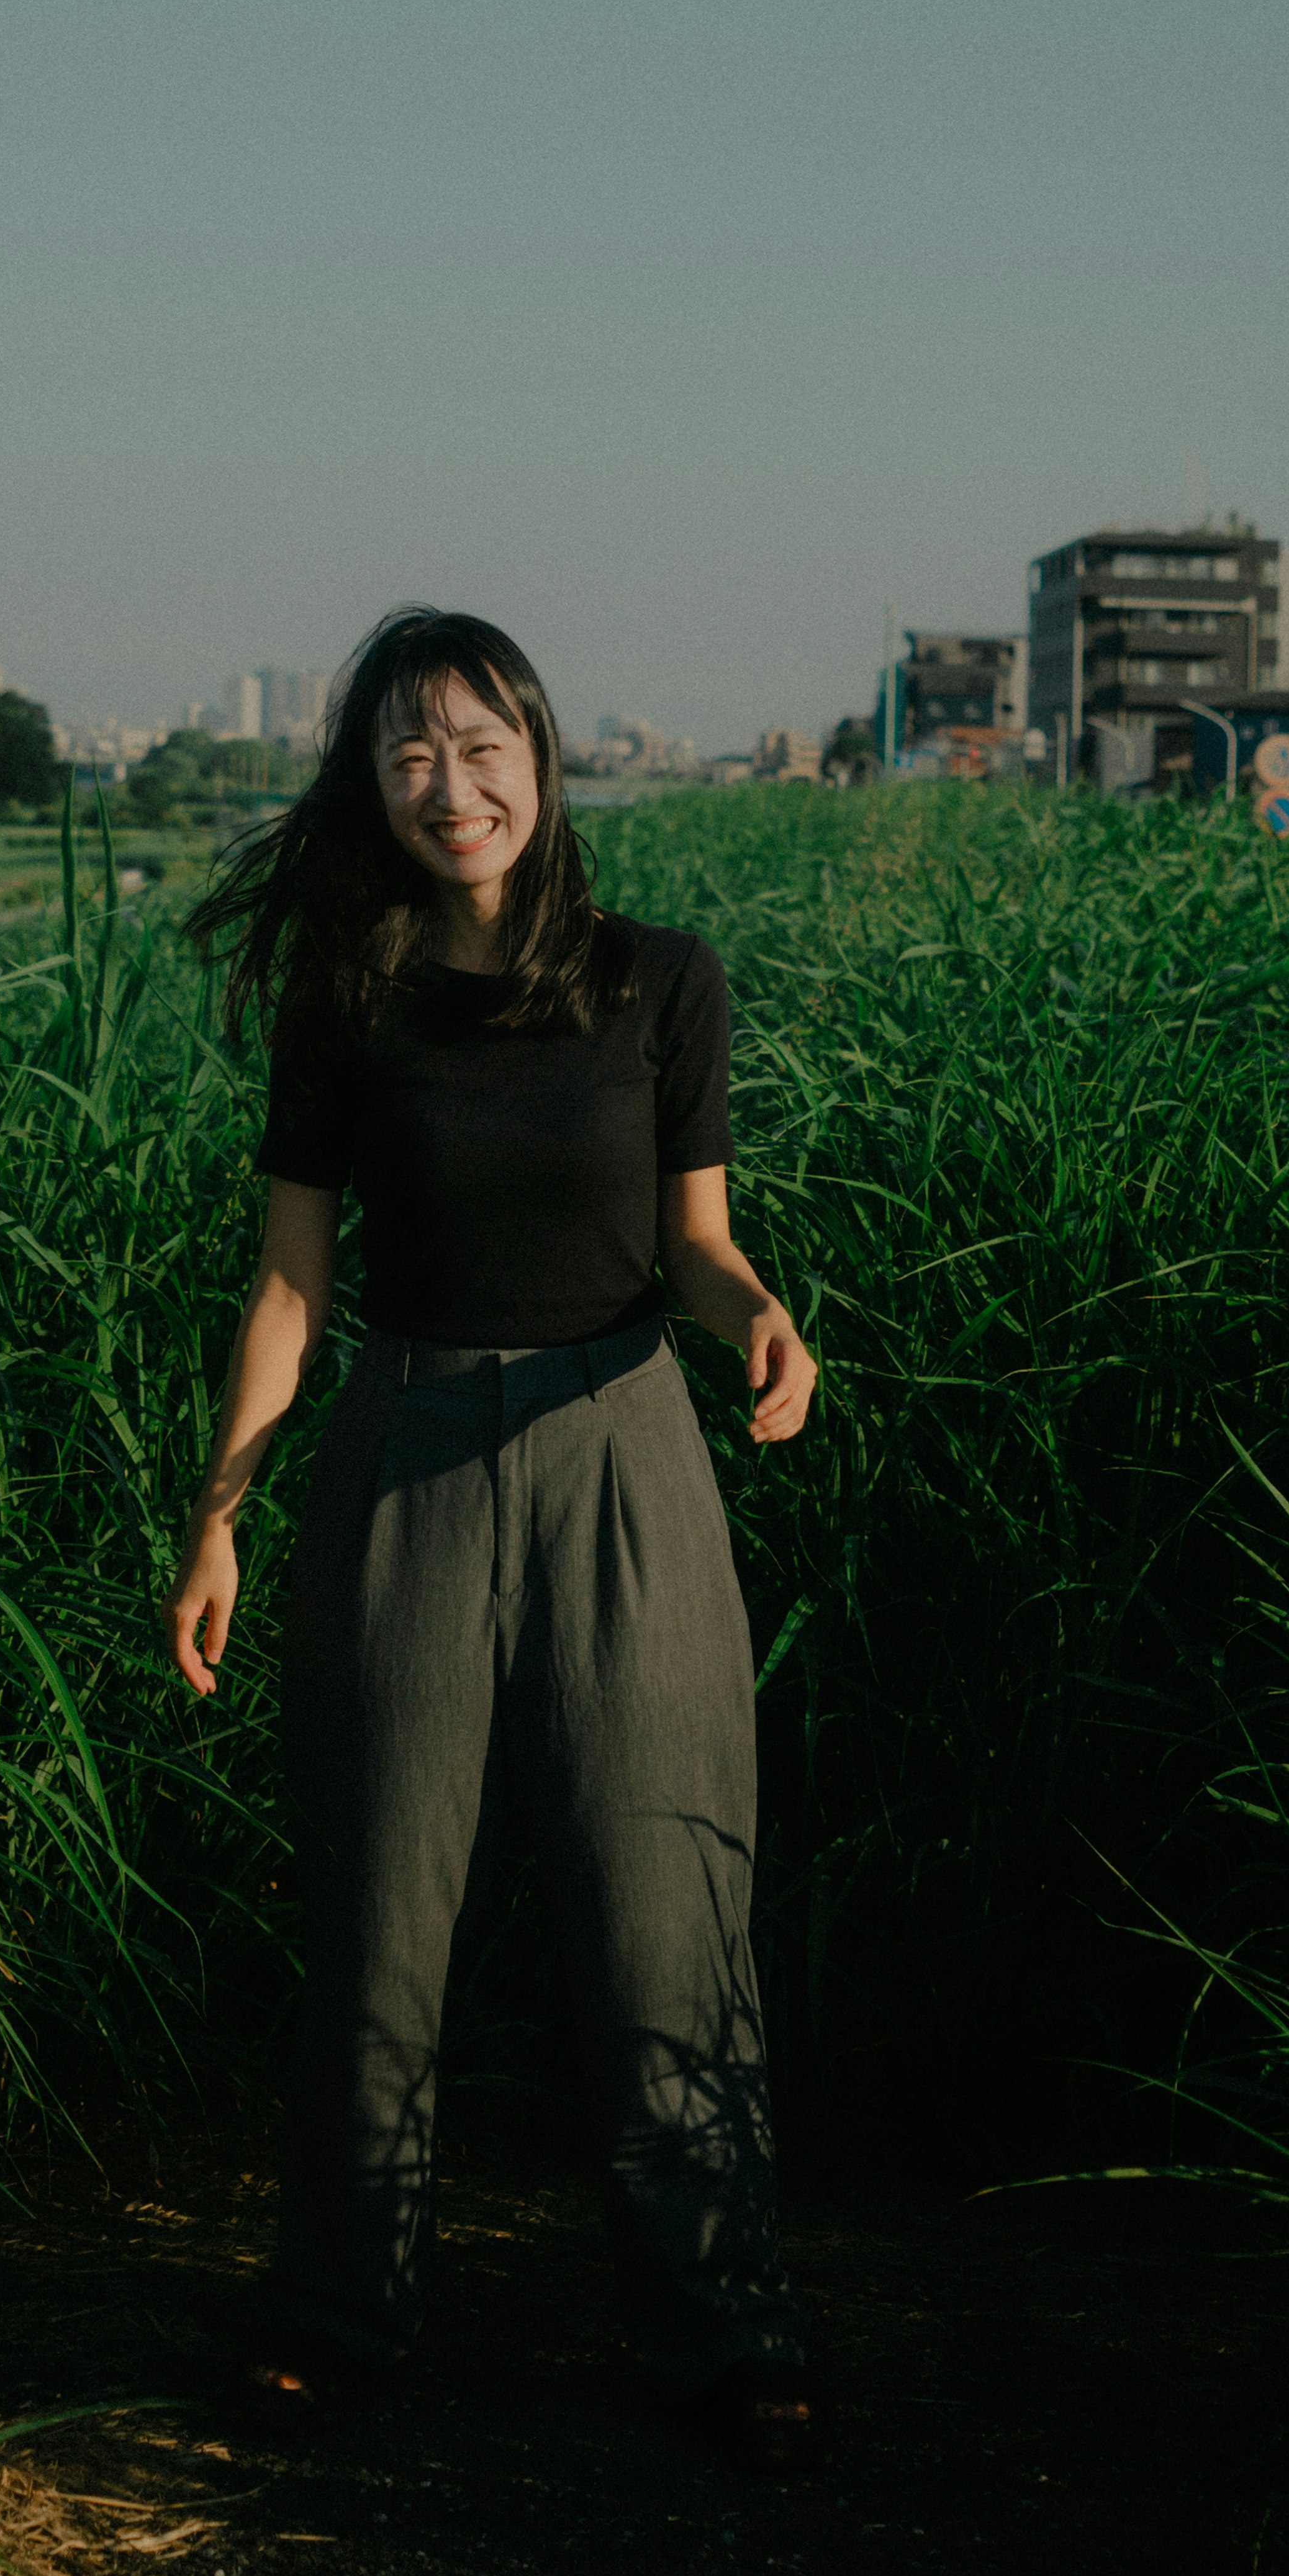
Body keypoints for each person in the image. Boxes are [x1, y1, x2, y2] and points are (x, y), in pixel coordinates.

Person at [168, 607, 817, 2466]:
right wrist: (221, 1513)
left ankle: (727, 2329)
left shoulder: (659, 980)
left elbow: (697, 1241)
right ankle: (335, 2320)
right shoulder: (346, 1000)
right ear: (371, 789)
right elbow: (292, 1289)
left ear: (538, 753)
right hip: (406, 1443)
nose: (449, 788)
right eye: (406, 757)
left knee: (667, 1905)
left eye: (477, 746)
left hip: (624, 1446)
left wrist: (761, 1319)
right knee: (380, 1916)